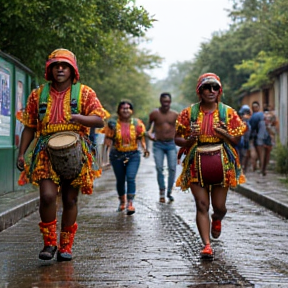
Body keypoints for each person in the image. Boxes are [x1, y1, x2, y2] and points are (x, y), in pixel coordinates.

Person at [16, 48, 109, 262]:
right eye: (56, 65)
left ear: (72, 70)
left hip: (75, 150)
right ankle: (49, 244)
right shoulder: (38, 94)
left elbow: (99, 120)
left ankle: (66, 245)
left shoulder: (84, 93)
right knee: (48, 196)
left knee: (69, 198)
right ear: (50, 69)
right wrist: (22, 154)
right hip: (45, 151)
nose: (60, 68)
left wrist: (78, 118)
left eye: (65, 65)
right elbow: (29, 126)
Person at [175, 73, 247, 259]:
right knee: (201, 204)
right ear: (200, 91)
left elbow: (237, 140)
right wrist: (190, 138)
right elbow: (177, 139)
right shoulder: (188, 114)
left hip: (221, 162)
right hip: (195, 162)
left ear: (219, 90)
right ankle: (206, 245)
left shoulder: (228, 113)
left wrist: (225, 135)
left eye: (215, 87)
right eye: (207, 87)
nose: (211, 91)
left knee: (219, 206)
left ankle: (217, 218)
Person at [104, 100, 150, 215]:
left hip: (133, 155)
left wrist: (145, 149)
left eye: (128, 108)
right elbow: (108, 140)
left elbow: (141, 138)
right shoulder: (112, 124)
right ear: (119, 110)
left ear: (132, 111)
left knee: (130, 177)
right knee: (120, 180)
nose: (126, 110)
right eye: (123, 108)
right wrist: (105, 157)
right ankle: (122, 201)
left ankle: (130, 203)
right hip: (116, 155)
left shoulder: (137, 124)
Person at [147, 92, 178, 203]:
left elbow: (180, 129)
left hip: (171, 144)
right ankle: (162, 192)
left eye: (168, 101)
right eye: (164, 101)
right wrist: (150, 135)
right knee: (159, 168)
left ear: (170, 102)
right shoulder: (154, 114)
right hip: (158, 144)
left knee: (172, 168)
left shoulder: (175, 115)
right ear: (160, 101)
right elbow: (148, 128)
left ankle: (169, 192)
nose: (166, 104)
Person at [249, 101, 267, 175]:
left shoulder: (255, 116)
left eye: (256, 107)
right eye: (253, 107)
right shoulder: (261, 115)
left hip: (258, 137)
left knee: (259, 153)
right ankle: (261, 168)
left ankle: (260, 168)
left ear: (259, 107)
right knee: (260, 153)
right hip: (259, 137)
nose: (254, 108)